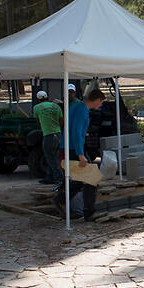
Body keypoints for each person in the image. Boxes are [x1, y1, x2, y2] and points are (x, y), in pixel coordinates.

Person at [53, 88, 105, 221]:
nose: (101, 105)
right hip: (73, 149)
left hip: (67, 147)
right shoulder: (82, 110)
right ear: (97, 100)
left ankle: (61, 199)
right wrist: (80, 154)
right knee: (92, 179)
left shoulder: (76, 106)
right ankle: (89, 213)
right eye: (101, 102)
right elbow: (76, 132)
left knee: (82, 179)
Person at [32, 90, 63, 185]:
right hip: (58, 134)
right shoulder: (56, 106)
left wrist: (44, 128)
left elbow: (38, 121)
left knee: (50, 158)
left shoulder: (36, 108)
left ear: (38, 99)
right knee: (54, 157)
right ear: (47, 97)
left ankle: (59, 178)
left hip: (48, 135)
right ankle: (50, 177)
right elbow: (61, 120)